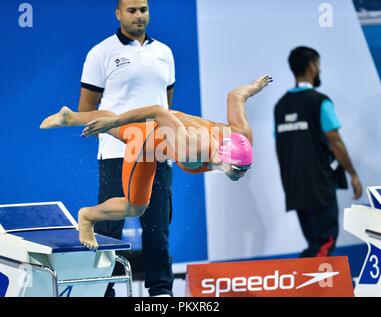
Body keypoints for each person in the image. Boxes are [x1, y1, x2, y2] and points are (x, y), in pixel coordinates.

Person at [41, 75, 272, 250]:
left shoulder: (242, 136)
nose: (242, 174)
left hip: (167, 132)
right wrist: (114, 124)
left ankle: (70, 117)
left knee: (113, 124)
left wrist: (255, 87)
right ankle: (87, 216)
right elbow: (157, 111)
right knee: (135, 206)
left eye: (246, 168)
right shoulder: (192, 150)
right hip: (146, 144)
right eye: (238, 169)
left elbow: (235, 95)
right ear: (222, 156)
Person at [78, 0, 175, 297]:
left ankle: (160, 292)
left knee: (158, 229)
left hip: (157, 152)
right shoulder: (101, 52)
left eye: (143, 9)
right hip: (116, 154)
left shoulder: (165, 53)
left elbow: (165, 106)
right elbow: (86, 110)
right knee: (109, 230)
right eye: (132, 10)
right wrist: (116, 138)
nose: (139, 15)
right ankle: (103, 291)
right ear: (118, 14)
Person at [274, 46, 363, 257]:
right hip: (321, 184)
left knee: (315, 240)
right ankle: (311, 284)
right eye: (319, 65)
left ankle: (315, 284)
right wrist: (353, 175)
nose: (319, 70)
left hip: (294, 187)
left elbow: (280, 149)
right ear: (313, 66)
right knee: (325, 241)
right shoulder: (320, 101)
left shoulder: (280, 106)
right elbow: (336, 142)